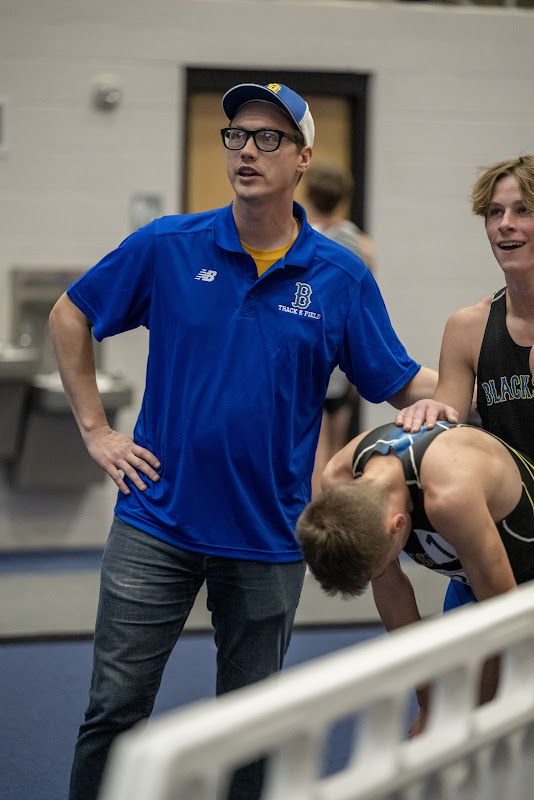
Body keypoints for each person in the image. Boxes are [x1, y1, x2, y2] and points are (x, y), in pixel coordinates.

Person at [49, 80, 445, 800]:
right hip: (155, 521)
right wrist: (96, 430)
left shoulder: (339, 276)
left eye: (270, 138)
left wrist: (458, 390)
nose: (248, 150)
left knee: (251, 724)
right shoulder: (168, 246)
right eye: (237, 135)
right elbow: (70, 316)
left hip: (267, 535)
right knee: (114, 711)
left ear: (303, 158)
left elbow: (399, 376)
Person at [297, 420, 534, 734]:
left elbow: (503, 624)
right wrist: (428, 705)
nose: (380, 575)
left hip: (511, 592)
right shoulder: (339, 479)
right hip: (480, 577)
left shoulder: (450, 496)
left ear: (396, 526)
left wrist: (474, 724)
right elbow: (393, 596)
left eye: (380, 566)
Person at [396, 155, 534, 613]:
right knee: (475, 683)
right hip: (497, 551)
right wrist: (429, 414)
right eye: (495, 213)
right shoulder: (468, 327)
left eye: (523, 210)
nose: (505, 226)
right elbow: (448, 423)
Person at [303, 162, 377, 498]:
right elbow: (364, 302)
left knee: (315, 446)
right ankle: (335, 512)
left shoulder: (305, 241)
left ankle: (317, 518)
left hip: (316, 351)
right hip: (345, 352)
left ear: (308, 194)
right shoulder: (362, 243)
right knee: (338, 444)